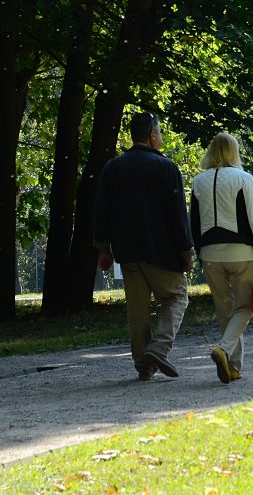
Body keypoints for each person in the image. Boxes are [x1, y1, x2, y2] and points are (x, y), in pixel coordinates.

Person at [93, 113, 195, 381]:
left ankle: (143, 364)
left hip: (127, 251)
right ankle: (159, 348)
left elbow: (101, 211)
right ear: (151, 134)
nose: (160, 137)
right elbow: (177, 214)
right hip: (161, 251)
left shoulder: (113, 168)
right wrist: (186, 251)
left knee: (137, 311)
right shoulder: (165, 168)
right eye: (159, 132)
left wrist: (103, 249)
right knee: (176, 297)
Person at [190, 132, 253, 384]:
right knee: (245, 307)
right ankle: (224, 350)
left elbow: (193, 222)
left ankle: (234, 367)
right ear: (233, 152)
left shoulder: (197, 181)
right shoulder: (243, 178)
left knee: (225, 310)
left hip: (210, 254)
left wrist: (199, 253)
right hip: (241, 253)